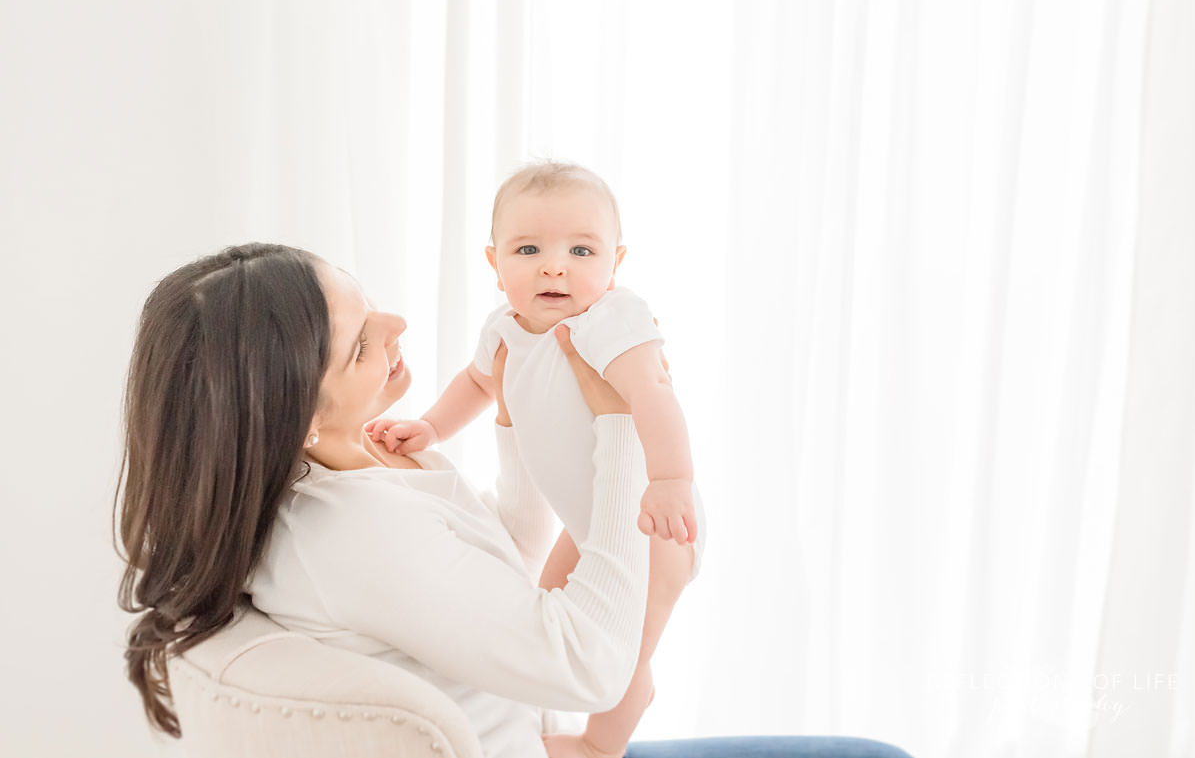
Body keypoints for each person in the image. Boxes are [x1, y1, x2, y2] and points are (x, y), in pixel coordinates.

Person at [116, 243, 913, 758]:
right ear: (297, 410)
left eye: (367, 301)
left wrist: (514, 414)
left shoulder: (347, 461)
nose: (396, 322)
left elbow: (501, 558)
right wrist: (619, 425)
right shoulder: (356, 536)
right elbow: (588, 667)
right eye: (362, 340)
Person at [365, 161, 702, 758]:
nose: (555, 265)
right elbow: (477, 383)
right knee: (542, 620)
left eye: (580, 249)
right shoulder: (505, 328)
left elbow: (654, 393)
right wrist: (430, 426)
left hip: (653, 524)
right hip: (588, 519)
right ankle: (538, 732)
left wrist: (672, 478)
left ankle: (601, 746)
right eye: (528, 248)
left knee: (623, 653)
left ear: (615, 263)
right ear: (494, 264)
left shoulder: (611, 320)